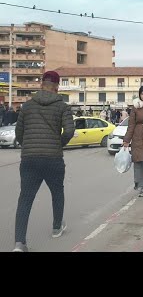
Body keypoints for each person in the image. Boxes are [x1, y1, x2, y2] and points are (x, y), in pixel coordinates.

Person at [13, 71, 75, 252]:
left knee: (25, 198)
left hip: (29, 160)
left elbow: (19, 132)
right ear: (57, 86)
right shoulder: (62, 107)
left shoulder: (27, 106)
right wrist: (59, 144)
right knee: (57, 192)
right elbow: (69, 131)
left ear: (41, 84)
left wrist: (28, 147)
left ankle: (19, 243)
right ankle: (57, 227)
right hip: (53, 159)